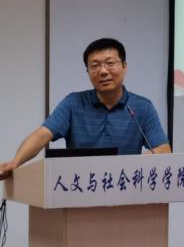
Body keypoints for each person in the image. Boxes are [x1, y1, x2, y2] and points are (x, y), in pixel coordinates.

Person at [0, 38, 170, 181]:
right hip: (80, 189)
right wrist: (16, 162)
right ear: (87, 71)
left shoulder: (142, 107)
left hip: (126, 192)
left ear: (124, 66)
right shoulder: (73, 103)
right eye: (94, 66)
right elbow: (42, 135)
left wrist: (150, 160)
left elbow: (163, 151)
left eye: (110, 63)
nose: (103, 71)